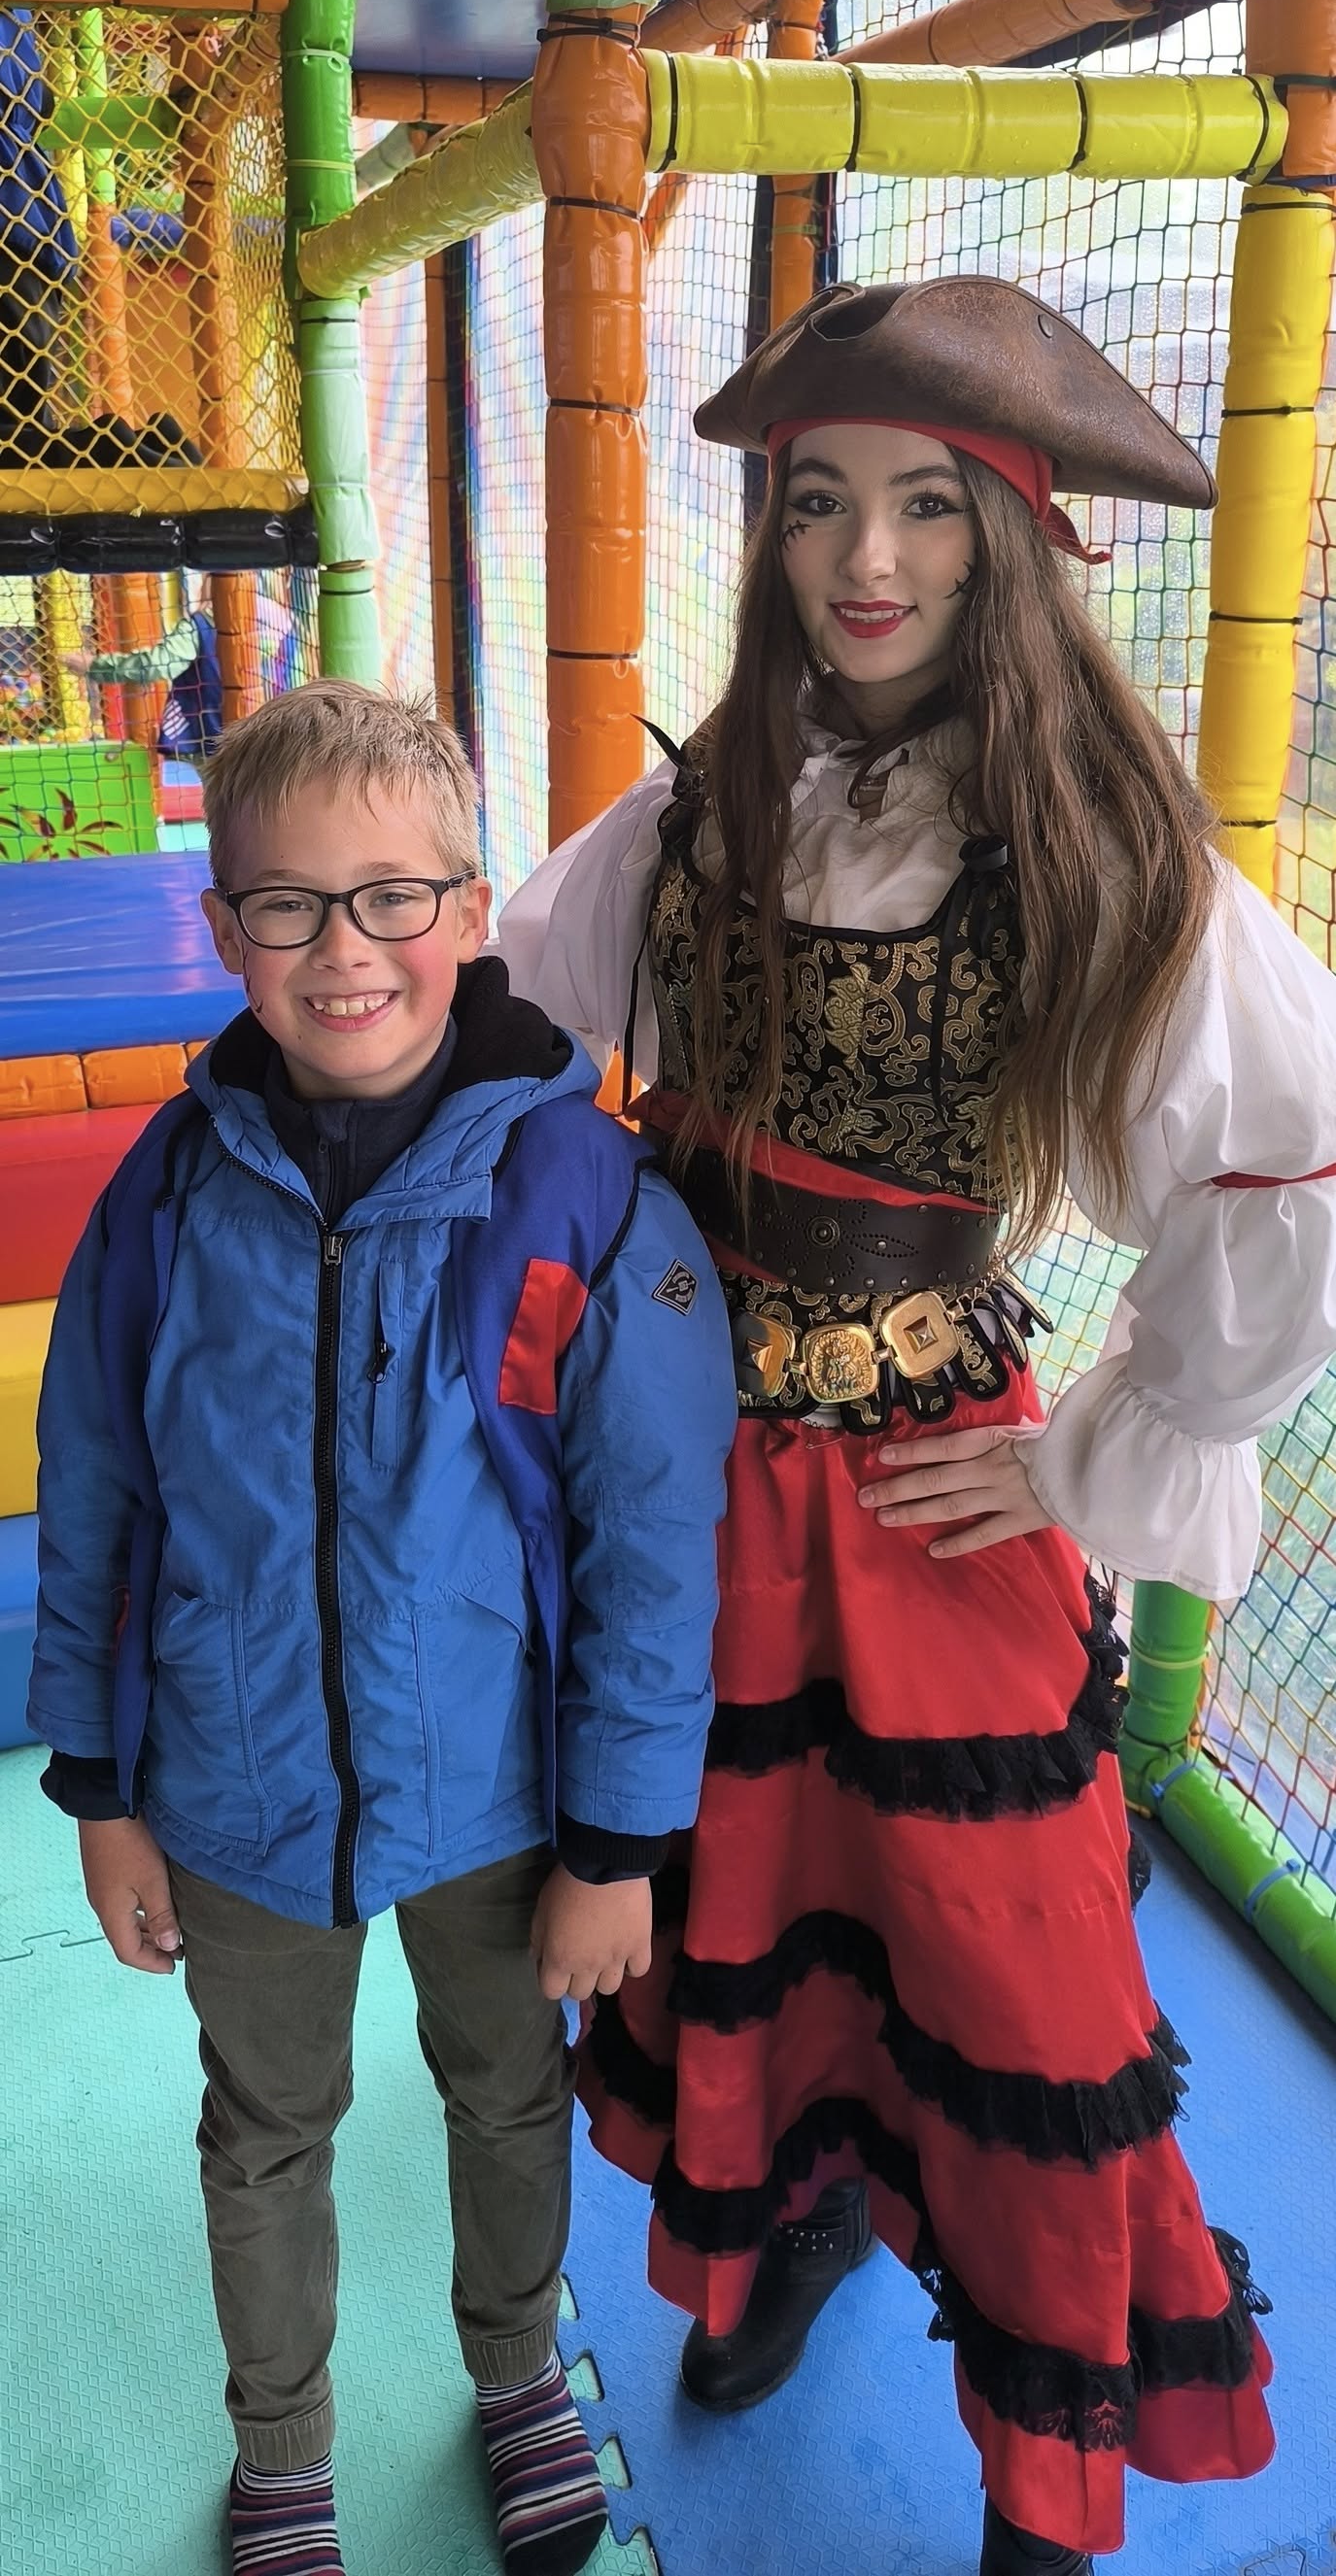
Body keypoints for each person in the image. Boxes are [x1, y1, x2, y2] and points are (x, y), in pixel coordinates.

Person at [497, 276, 1336, 2574]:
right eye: (816, 503)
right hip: (685, 1479)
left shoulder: (1094, 851)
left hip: (922, 1487)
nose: (863, 560)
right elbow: (518, 1027)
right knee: (732, 1890)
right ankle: (800, 2217)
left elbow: (1285, 1159)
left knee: (1006, 1952)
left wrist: (1105, 1447)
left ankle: (1045, 2468)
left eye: (927, 506)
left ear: (1018, 539)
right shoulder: (696, 812)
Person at [28, 679, 736, 2576]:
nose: (344, 948)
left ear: (470, 907)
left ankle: (517, 2376)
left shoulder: (578, 1196)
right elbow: (91, 1485)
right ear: (222, 923)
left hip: (497, 1798)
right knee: (262, 2125)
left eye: (392, 897)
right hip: (234, 1786)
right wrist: (99, 1785)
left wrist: (617, 1840)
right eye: (287, 902)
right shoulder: (168, 1195)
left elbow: (654, 1537)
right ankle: (282, 2447)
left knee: (506, 2095)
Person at [63, 577, 295, 762]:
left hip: (217, 734)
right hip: (276, 729)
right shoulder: (275, 618)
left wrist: (95, 666)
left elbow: (158, 664)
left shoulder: (202, 624)